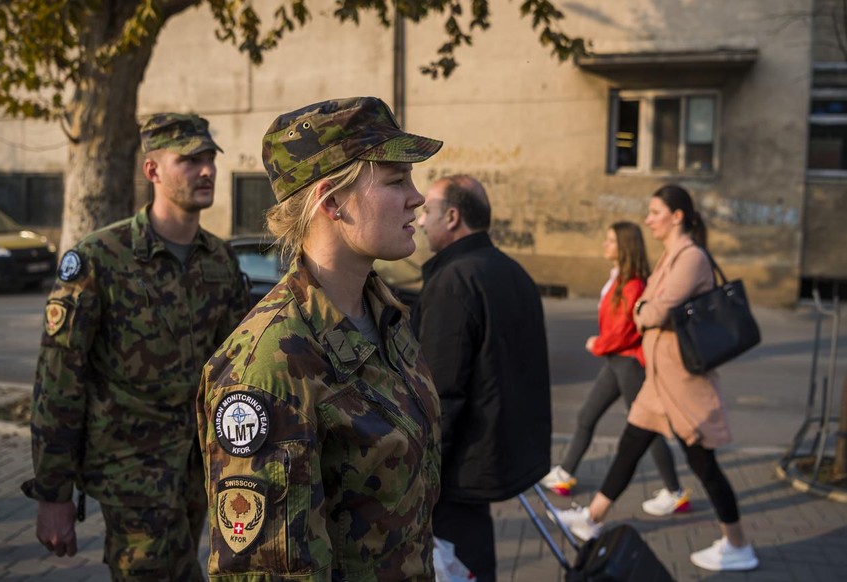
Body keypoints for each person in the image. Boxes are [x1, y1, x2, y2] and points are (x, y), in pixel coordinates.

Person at [197, 96, 444, 579]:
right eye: (396, 181)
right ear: (331, 201)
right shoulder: (268, 365)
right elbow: (270, 570)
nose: (418, 198)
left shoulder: (387, 318)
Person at [22, 113, 251, 580]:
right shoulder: (98, 259)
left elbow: (236, 369)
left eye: (209, 158)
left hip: (199, 465)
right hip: (132, 468)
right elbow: (58, 384)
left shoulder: (221, 259)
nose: (206, 170)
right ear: (153, 171)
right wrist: (53, 494)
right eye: (189, 160)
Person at [556, 185, 759, 572]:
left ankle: (738, 544)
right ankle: (592, 518)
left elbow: (653, 311)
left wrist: (645, 310)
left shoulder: (691, 257)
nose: (648, 219)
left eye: (655, 211)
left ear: (677, 216)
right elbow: (646, 305)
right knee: (630, 447)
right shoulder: (672, 255)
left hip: (683, 383)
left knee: (704, 466)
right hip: (659, 381)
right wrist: (645, 308)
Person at [413, 175, 552, 582]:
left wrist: (422, 475)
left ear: (453, 217)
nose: (421, 222)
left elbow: (441, 392)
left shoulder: (454, 282)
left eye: (427, 212)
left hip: (460, 468)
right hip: (497, 455)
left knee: (461, 564)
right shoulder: (509, 269)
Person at [541, 222, 691, 517]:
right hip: (617, 361)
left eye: (610, 241)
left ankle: (674, 493)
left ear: (624, 247)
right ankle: (565, 474)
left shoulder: (633, 283)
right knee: (587, 415)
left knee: (648, 428)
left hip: (629, 362)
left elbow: (626, 330)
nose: (605, 245)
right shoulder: (619, 278)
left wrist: (598, 343)